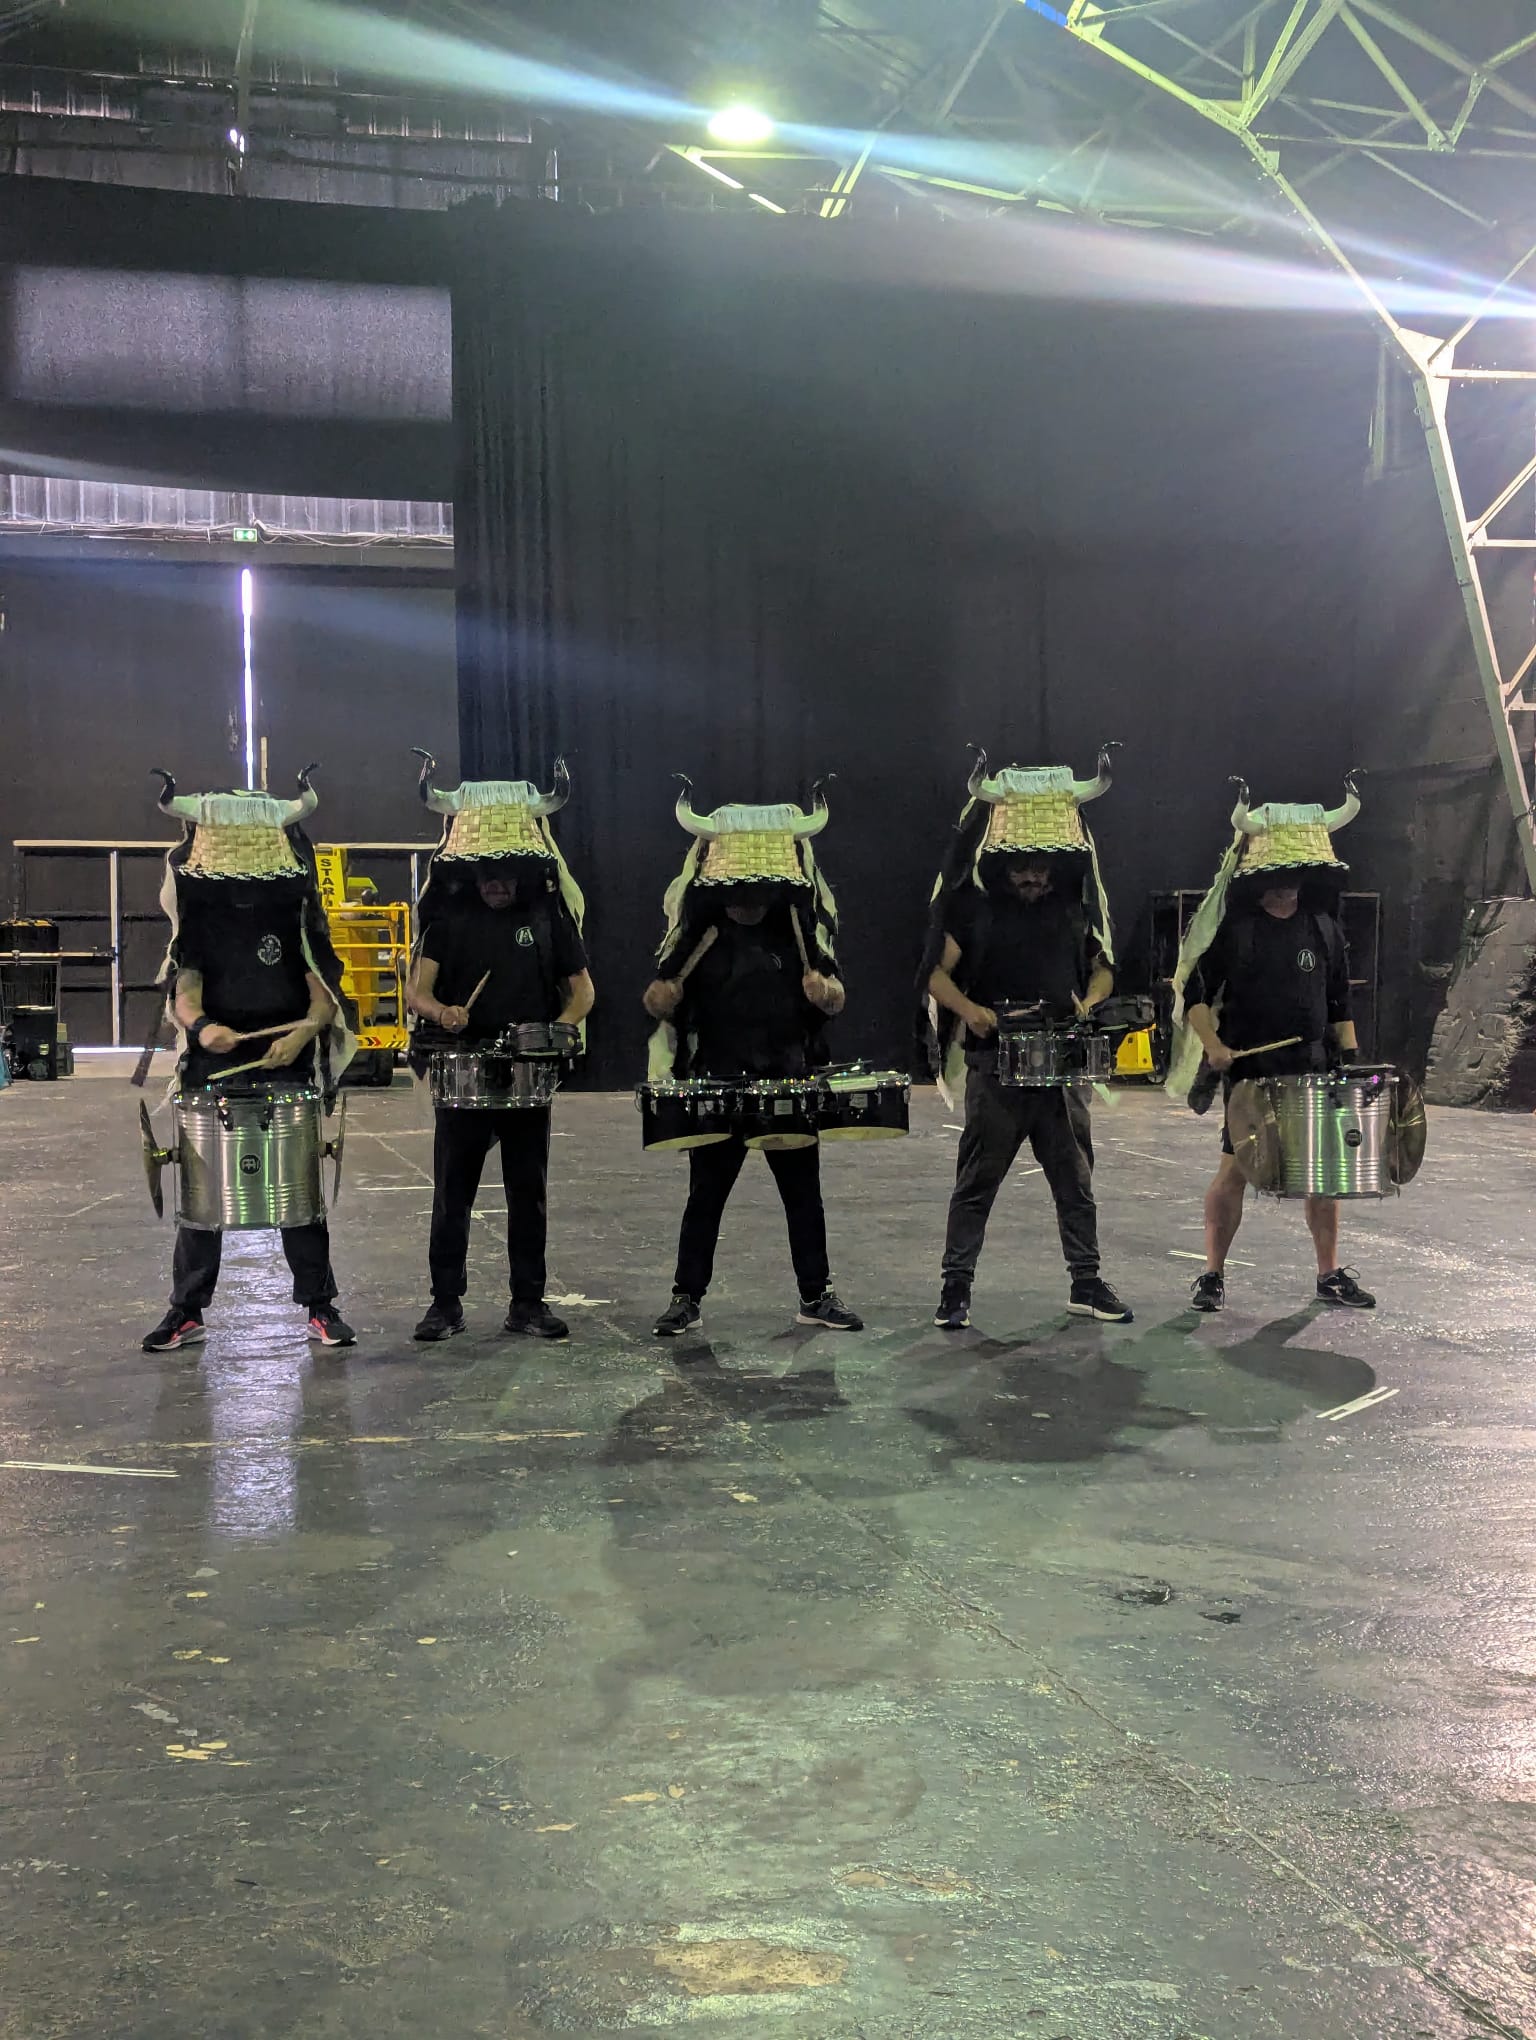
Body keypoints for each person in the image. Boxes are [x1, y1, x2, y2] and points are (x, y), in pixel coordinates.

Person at [140, 767, 358, 1353]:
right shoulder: (203, 922)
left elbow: (322, 999)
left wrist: (303, 1035)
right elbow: (185, 996)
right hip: (214, 1068)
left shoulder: (291, 919)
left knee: (299, 1194)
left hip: (286, 1063)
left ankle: (320, 1307)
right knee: (201, 1196)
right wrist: (203, 1028)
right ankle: (186, 1311)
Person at [922, 748, 1132, 1330]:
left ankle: (1086, 1283)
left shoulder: (1073, 909)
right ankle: (955, 1288)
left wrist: (1089, 1002)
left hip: (1062, 1066)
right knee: (977, 1181)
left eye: (1042, 867)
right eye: (1022, 868)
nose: (1034, 877)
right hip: (996, 1066)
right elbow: (934, 975)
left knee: (1075, 1182)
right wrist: (972, 1011)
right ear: (1000, 863)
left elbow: (1104, 970)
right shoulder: (975, 911)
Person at [644, 779, 862, 1338]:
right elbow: (657, 1000)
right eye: (739, 891)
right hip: (719, 1083)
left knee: (802, 1196)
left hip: (786, 1079)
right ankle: (686, 1298)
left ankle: (816, 1295)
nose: (749, 901)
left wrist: (825, 993)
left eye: (759, 891)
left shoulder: (798, 933)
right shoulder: (700, 936)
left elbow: (837, 998)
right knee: (705, 1197)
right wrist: (663, 997)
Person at [406, 752, 594, 1343]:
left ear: (521, 873)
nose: (495, 884)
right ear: (471, 873)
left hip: (526, 1072)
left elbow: (584, 992)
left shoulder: (547, 918)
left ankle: (527, 1304)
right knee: (452, 1195)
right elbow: (416, 992)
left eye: (505, 874)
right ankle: (445, 1304)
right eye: (486, 874)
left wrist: (557, 1029)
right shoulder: (449, 920)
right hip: (461, 1068)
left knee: (527, 1195)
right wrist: (443, 1012)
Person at [1174, 774, 1374, 1313]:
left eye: (1294, 877)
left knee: (1321, 1176)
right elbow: (1195, 995)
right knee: (1235, 1170)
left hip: (1312, 1068)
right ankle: (1212, 1275)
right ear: (1257, 876)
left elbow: (1339, 1002)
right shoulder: (1235, 931)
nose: (1286, 887)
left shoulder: (1324, 929)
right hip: (1252, 1076)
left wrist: (1349, 1059)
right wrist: (1213, 1045)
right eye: (1277, 877)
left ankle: (1328, 1274)